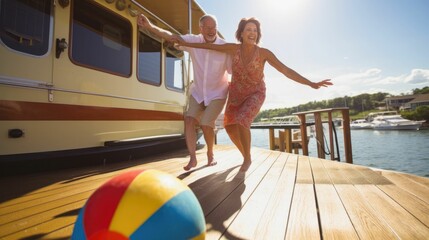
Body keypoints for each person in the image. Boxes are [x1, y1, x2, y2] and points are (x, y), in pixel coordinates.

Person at [176, 17, 333, 172]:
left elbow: (286, 70)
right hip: (236, 94)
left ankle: (247, 159)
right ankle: (246, 154)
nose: (252, 33)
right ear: (241, 33)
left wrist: (311, 83)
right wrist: (184, 43)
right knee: (230, 127)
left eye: (255, 30)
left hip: (255, 93)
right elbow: (208, 47)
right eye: (249, 30)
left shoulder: (264, 53)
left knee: (242, 120)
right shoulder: (233, 48)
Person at [137, 14, 231, 171]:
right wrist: (150, 27)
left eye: (214, 27)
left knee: (206, 123)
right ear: (200, 29)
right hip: (198, 91)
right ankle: (193, 158)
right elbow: (172, 36)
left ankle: (210, 153)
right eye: (207, 28)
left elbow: (233, 70)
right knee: (188, 119)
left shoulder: (224, 47)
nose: (211, 31)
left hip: (218, 93)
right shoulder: (193, 41)